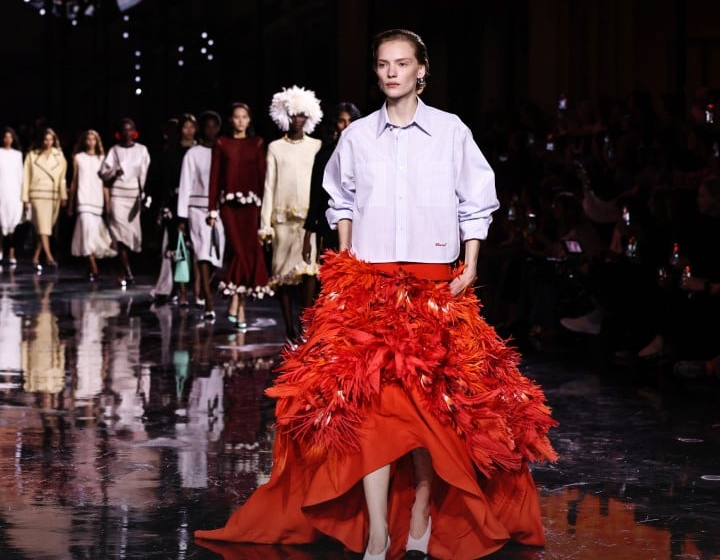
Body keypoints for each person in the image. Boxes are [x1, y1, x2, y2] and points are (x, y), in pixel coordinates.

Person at [196, 29, 557, 560]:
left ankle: (418, 519)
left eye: (402, 63)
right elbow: (339, 198)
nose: (391, 72)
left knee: (433, 419)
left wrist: (472, 262)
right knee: (370, 416)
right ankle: (378, 534)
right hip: (369, 287)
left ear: (421, 71)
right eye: (383, 63)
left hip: (435, 285)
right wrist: (345, 262)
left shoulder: (451, 132)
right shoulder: (357, 137)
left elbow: (477, 200)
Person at [261, 86, 324, 345]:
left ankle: (304, 324)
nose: (297, 119)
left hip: (309, 220)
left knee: (309, 273)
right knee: (284, 276)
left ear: (308, 116)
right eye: (293, 114)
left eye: (301, 114)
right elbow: (269, 185)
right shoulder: (275, 147)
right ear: (285, 116)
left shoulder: (317, 146)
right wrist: (264, 224)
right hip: (283, 220)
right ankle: (288, 329)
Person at [207, 103, 270, 330]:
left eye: (244, 117)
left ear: (249, 120)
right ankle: (237, 303)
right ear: (231, 120)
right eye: (237, 117)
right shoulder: (222, 143)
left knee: (249, 251)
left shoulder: (257, 143)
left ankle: (238, 304)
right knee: (239, 252)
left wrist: (266, 212)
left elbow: (263, 177)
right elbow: (215, 177)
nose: (241, 121)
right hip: (229, 207)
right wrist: (211, 208)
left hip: (252, 206)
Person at [302, 101, 361, 308]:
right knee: (332, 278)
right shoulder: (325, 154)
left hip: (361, 225)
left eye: (351, 121)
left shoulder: (366, 154)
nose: (346, 126)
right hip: (330, 226)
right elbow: (316, 195)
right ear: (334, 124)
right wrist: (309, 232)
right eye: (341, 121)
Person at [178, 111, 225, 321]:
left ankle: (206, 290)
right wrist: (182, 218)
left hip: (220, 209)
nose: (211, 130)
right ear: (202, 129)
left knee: (216, 256)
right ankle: (208, 301)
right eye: (207, 126)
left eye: (215, 126)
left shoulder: (224, 150)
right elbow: (186, 183)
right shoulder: (193, 153)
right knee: (203, 255)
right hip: (196, 208)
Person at [99, 118, 150, 287]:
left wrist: (143, 196)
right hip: (118, 194)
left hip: (133, 195)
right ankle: (125, 270)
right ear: (119, 133)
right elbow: (103, 173)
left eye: (130, 130)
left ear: (134, 131)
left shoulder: (142, 150)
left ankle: (123, 270)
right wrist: (114, 171)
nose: (127, 133)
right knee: (119, 234)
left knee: (130, 235)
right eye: (124, 130)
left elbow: (144, 174)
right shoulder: (114, 150)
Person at [150, 116, 195, 304]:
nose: (189, 130)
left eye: (192, 127)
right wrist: (165, 206)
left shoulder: (201, 150)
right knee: (178, 248)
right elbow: (164, 181)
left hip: (197, 203)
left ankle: (198, 291)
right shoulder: (171, 152)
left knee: (197, 249)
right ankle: (182, 290)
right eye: (186, 127)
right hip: (175, 203)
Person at [69, 130, 115, 281]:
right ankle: (94, 267)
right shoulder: (78, 158)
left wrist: (107, 202)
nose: (90, 142)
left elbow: (105, 184)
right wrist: (70, 204)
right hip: (83, 199)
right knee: (86, 229)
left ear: (97, 141)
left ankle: (90, 264)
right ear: (84, 141)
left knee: (92, 233)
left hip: (96, 200)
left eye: (93, 139)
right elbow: (74, 181)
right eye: (88, 139)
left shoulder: (102, 159)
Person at [22, 128, 68, 270]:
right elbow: (26, 178)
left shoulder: (59, 156)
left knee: (46, 228)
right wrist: (25, 199)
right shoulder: (31, 156)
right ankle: (49, 257)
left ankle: (36, 257)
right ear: (41, 140)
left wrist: (63, 195)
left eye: (51, 139)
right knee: (43, 227)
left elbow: (62, 178)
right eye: (45, 139)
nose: (48, 142)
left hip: (53, 195)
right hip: (37, 194)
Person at [0, 128, 24, 266]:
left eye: (10, 137)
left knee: (13, 223)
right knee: (2, 220)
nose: (8, 139)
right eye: (5, 137)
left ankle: (11, 252)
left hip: (15, 191)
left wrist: (23, 194)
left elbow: (20, 174)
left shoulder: (18, 154)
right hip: (1, 190)